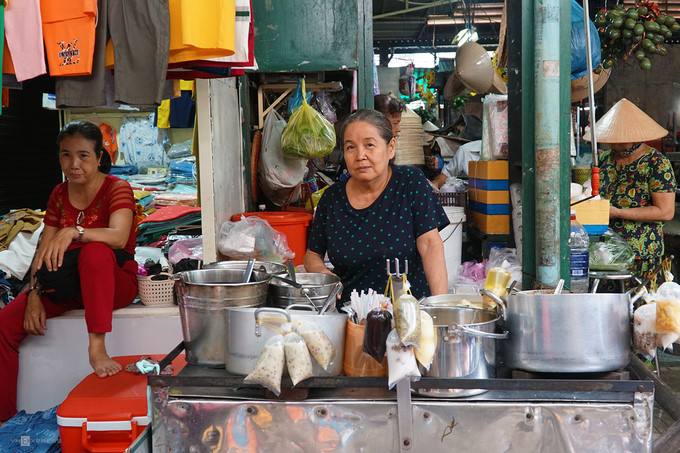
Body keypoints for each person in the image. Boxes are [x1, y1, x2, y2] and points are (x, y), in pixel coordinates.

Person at [0, 121, 138, 423]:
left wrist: (74, 231)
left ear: (99, 156)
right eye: (66, 155)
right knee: (3, 326)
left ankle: (97, 348)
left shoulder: (117, 188)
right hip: (69, 284)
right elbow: (43, 252)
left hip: (115, 284)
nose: (73, 164)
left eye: (83, 155)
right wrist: (34, 294)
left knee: (96, 251)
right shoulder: (58, 193)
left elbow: (117, 236)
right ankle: (4, 420)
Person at [304, 109, 449, 308]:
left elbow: (431, 245)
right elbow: (312, 254)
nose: (360, 155)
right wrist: (322, 273)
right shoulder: (332, 199)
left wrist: (440, 307)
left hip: (410, 315)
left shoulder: (410, 183)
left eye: (369, 145)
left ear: (391, 148)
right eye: (350, 147)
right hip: (353, 318)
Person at [585, 98, 676, 282]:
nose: (613, 145)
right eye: (611, 140)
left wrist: (618, 213)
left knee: (638, 306)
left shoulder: (656, 164)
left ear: (636, 136)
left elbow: (665, 211)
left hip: (641, 255)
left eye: (620, 141)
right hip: (603, 254)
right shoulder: (605, 160)